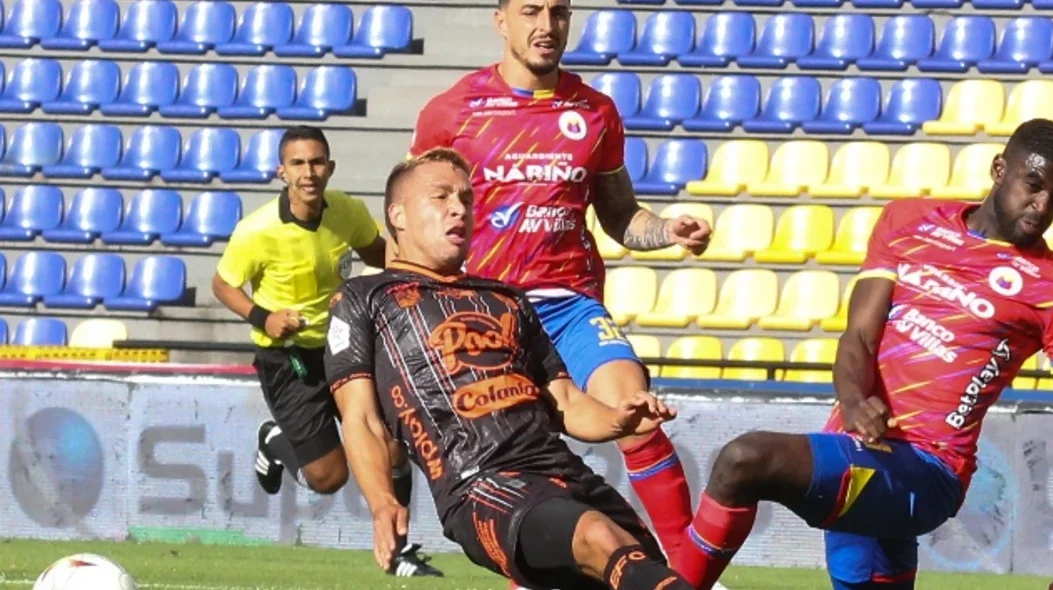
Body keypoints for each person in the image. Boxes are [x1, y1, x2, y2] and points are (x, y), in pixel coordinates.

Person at [672, 120, 1053, 590]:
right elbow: (858, 337)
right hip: (857, 440)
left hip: (927, 470)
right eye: (1032, 185)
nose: (1041, 205)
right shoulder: (908, 220)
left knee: (745, 459)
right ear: (1000, 169)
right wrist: (853, 402)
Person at [406, 0, 713, 566]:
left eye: (559, 12)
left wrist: (668, 229)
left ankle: (690, 569)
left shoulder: (595, 111)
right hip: (487, 310)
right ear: (501, 20)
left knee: (635, 411)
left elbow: (621, 216)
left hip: (569, 304)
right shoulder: (450, 113)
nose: (546, 26)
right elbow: (417, 216)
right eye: (530, 12)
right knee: (518, 461)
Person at [325, 147, 696, 590]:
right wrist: (382, 501)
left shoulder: (507, 298)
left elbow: (566, 401)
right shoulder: (364, 299)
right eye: (441, 197)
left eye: (465, 199)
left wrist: (618, 419)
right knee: (600, 539)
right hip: (480, 483)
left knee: (644, 566)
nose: (458, 209)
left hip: (565, 474)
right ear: (398, 216)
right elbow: (361, 417)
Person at [212, 125, 440, 578]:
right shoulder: (257, 231)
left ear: (330, 168)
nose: (308, 172)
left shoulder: (347, 212)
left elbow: (379, 252)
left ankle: (399, 550)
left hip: (344, 346)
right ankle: (273, 440)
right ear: (282, 171)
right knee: (328, 477)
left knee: (393, 445)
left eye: (317, 162)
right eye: (298, 163)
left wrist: (422, 265)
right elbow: (223, 284)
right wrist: (265, 318)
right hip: (288, 358)